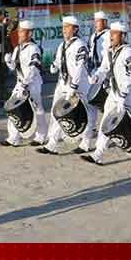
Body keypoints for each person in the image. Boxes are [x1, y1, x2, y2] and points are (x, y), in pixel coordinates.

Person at [84, 21, 131, 165]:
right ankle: (98, 153)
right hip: (114, 93)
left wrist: (123, 96)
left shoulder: (129, 52)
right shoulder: (110, 50)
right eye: (111, 33)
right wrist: (96, 77)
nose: (111, 36)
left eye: (115, 33)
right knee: (106, 120)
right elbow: (104, 68)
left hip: (128, 95)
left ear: (123, 36)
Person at [39, 16, 97, 156]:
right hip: (62, 83)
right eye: (63, 27)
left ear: (75, 29)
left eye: (67, 26)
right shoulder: (62, 45)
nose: (64, 29)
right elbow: (59, 62)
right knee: (56, 111)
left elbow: (79, 68)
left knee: (86, 113)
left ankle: (86, 143)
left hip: (79, 86)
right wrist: (53, 66)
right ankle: (52, 143)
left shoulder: (80, 46)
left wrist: (73, 86)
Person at [1, 20, 48, 147]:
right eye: (19, 31)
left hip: (32, 84)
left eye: (22, 31)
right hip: (20, 83)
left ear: (29, 34)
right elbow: (13, 67)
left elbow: (33, 68)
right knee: (13, 109)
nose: (19, 34)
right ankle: (13, 137)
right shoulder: (18, 48)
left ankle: (41, 136)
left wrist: (25, 84)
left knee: (37, 109)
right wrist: (8, 59)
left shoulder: (34, 49)